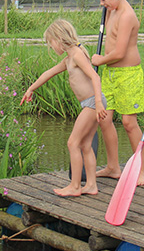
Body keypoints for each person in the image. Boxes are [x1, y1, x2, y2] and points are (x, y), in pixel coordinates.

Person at [20, 19, 108, 197]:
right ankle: (91, 185)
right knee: (85, 144)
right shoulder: (70, 58)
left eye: (51, 43)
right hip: (91, 103)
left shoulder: (77, 55)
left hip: (93, 103)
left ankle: (75, 186)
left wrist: (98, 103)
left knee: (72, 143)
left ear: (59, 38)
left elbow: (95, 77)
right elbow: (49, 73)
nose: (51, 47)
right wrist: (31, 88)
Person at [91, 0, 144, 186]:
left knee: (128, 122)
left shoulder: (127, 16)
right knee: (104, 118)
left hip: (128, 74)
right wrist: (103, 62)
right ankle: (113, 167)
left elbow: (120, 52)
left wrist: (99, 60)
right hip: (110, 74)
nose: (101, 3)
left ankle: (141, 170)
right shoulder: (110, 10)